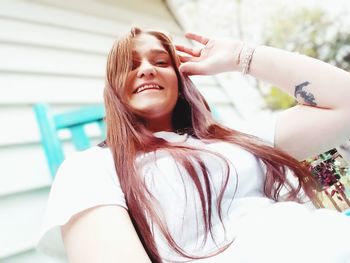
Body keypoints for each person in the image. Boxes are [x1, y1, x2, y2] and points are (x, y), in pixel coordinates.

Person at [36, 27, 350, 263]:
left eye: (161, 61)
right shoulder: (89, 169)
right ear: (113, 88)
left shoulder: (235, 136)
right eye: (130, 66)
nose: (147, 69)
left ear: (181, 78)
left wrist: (243, 56)